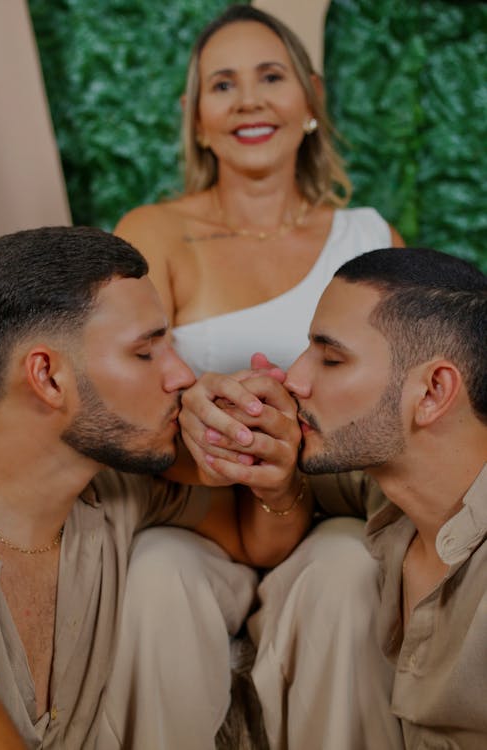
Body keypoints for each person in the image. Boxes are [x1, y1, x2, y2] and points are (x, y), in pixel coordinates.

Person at [108, 4, 405, 750]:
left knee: (349, 572)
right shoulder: (153, 232)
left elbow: (399, 411)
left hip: (329, 510)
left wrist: (289, 474)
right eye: (223, 85)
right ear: (197, 117)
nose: (248, 100)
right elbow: (117, 387)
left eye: (271, 77)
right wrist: (213, 437)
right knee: (154, 573)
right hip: (188, 513)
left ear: (310, 99)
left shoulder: (370, 240)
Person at [0, 225, 306, 750]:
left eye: (171, 346)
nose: (182, 375)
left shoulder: (114, 497)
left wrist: (272, 475)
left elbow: (259, 540)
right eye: (145, 352)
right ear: (47, 376)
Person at [189, 246, 487, 748]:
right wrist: (215, 417)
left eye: (330, 358)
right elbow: (271, 463)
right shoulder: (387, 483)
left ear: (434, 391)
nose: (296, 378)